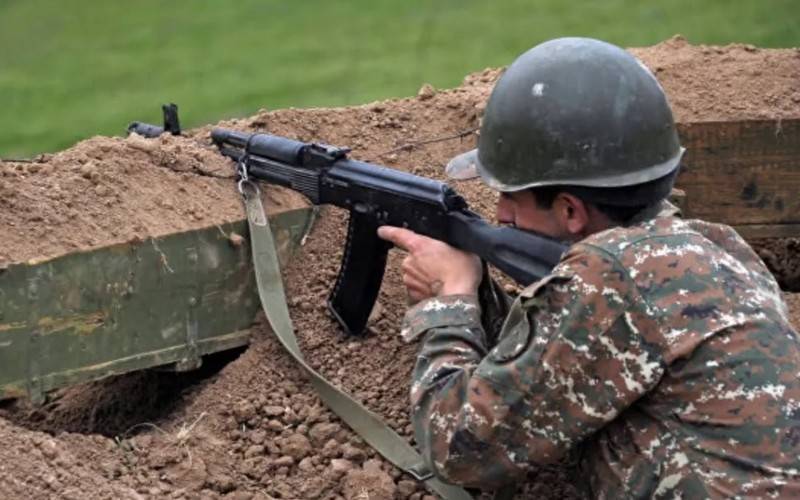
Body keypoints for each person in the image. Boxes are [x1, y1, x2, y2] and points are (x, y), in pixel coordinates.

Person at [377, 37, 800, 498]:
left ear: (571, 212)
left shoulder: (609, 276)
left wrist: (451, 299)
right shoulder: (720, 247)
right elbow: (555, 362)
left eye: (510, 197)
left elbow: (457, 450)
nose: (499, 214)